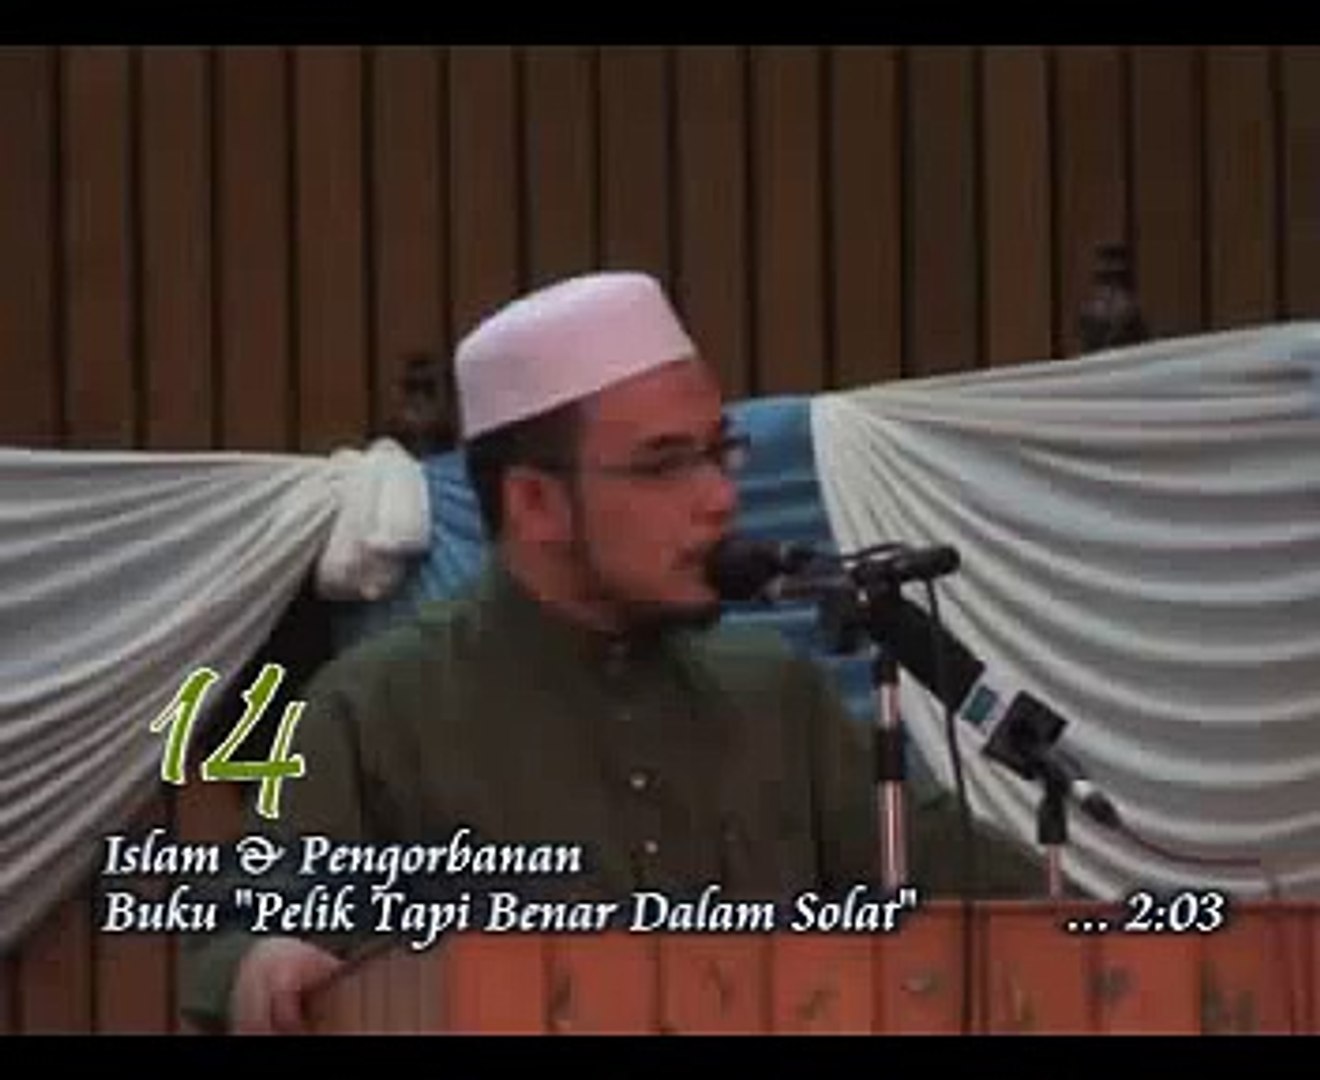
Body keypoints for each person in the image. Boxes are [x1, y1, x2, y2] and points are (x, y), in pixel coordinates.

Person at [178, 271, 1047, 1034]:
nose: (720, 498)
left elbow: (1004, 900)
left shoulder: (773, 692)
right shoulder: (380, 706)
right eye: (666, 465)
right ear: (535, 504)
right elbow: (241, 936)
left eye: (720, 452)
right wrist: (263, 961)